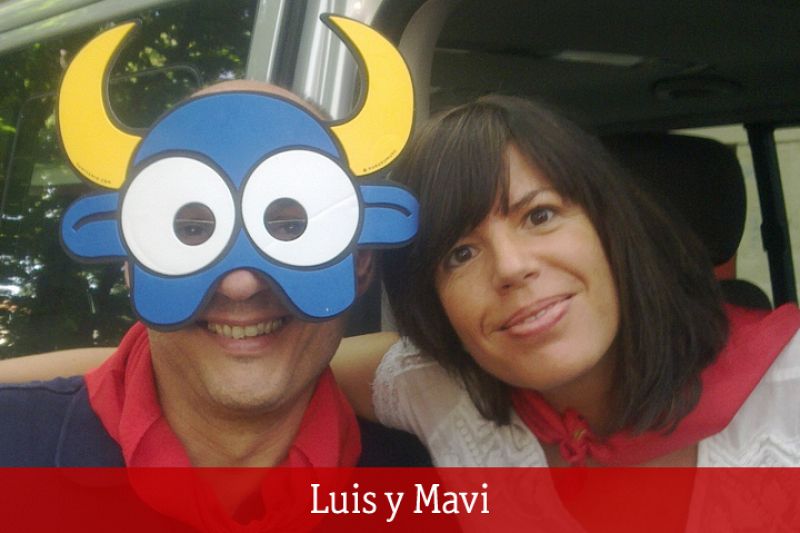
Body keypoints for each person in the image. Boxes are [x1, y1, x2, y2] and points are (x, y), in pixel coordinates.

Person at [6, 95, 800, 469]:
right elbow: (200, 359)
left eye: (540, 214)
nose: (512, 267)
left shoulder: (414, 469)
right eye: (459, 253)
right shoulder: (445, 404)